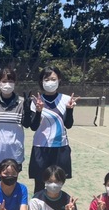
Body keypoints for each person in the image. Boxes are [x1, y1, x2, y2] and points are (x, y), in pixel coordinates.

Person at [29, 66, 79, 194]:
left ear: (59, 80)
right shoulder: (36, 101)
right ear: (41, 82)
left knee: (57, 184)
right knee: (39, 184)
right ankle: (37, 206)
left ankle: (56, 206)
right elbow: (33, 127)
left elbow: (68, 125)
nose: (50, 82)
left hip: (60, 147)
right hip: (41, 147)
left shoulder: (66, 99)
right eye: (46, 79)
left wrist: (69, 110)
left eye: (53, 79)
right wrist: (38, 111)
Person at [0, 67, 32, 185]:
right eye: (4, 81)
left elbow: (27, 124)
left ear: (15, 83)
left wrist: (27, 109)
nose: (7, 84)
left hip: (14, 152)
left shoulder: (22, 102)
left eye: (10, 81)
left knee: (11, 186)